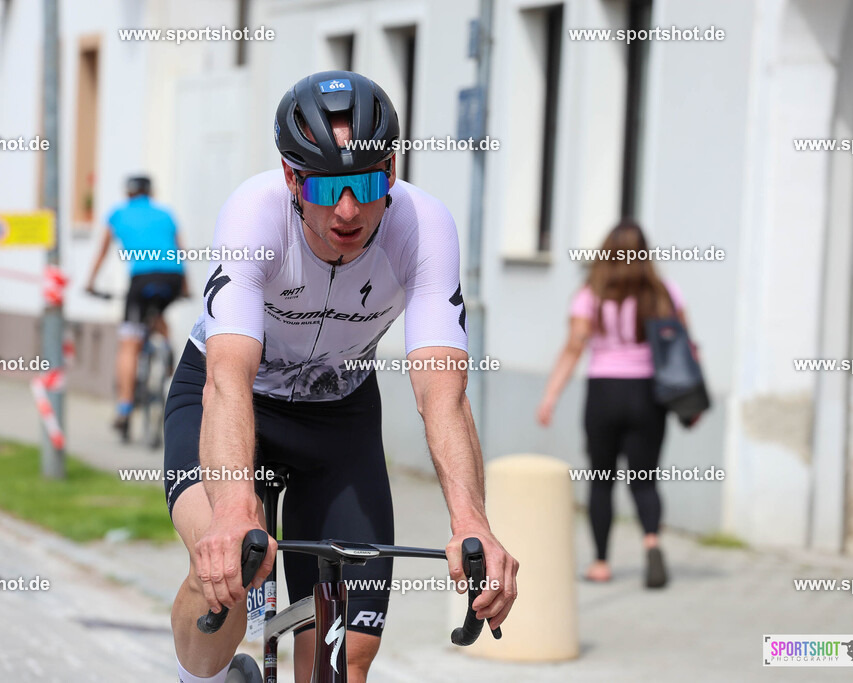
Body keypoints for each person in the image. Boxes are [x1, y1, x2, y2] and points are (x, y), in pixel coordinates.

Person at [163, 71, 518, 683]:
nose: (348, 210)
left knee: (347, 650)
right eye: (327, 187)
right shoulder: (254, 215)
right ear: (291, 178)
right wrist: (234, 510)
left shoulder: (423, 227)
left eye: (366, 183)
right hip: (230, 403)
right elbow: (227, 377)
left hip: (339, 419)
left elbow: (443, 394)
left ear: (392, 170)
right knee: (225, 572)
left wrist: (471, 522)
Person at [537, 220, 691, 589]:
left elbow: (574, 346)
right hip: (648, 395)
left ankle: (602, 563)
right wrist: (691, 400)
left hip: (604, 393)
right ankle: (651, 542)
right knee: (645, 479)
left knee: (602, 479)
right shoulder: (664, 292)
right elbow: (683, 345)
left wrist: (551, 395)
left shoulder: (591, 293)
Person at [86, 175, 189, 439]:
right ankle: (167, 353)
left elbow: (102, 252)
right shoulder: (166, 214)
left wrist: (90, 283)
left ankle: (124, 408)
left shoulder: (117, 214)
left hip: (142, 278)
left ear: (128, 193)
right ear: (150, 192)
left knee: (129, 343)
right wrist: (186, 287)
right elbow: (180, 250)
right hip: (172, 277)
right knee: (158, 314)